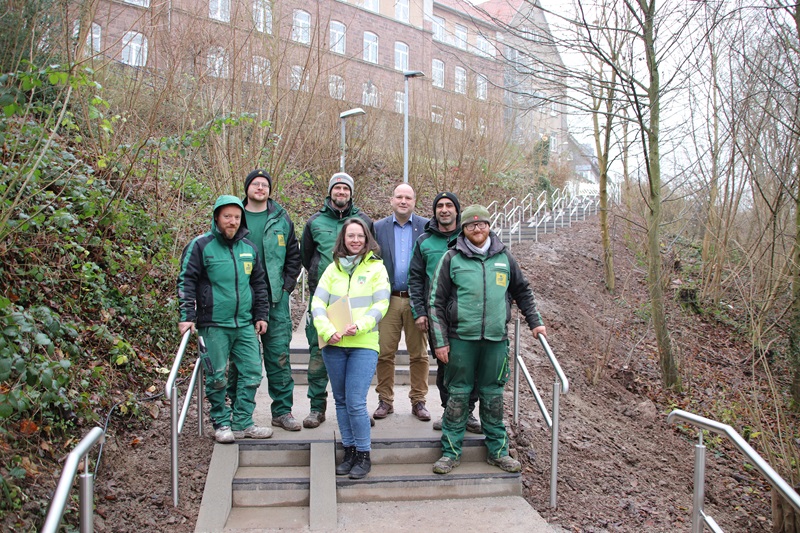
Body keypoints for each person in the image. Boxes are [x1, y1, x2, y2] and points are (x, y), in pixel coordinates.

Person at [428, 205, 546, 474]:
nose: (477, 229)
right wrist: (440, 341)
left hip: (495, 340)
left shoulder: (505, 258)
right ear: (464, 229)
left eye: (482, 224)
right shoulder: (451, 258)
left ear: (489, 226)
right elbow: (434, 302)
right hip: (461, 340)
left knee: (493, 397)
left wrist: (535, 322)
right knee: (458, 396)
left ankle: (498, 451)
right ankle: (450, 452)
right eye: (471, 225)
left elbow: (523, 291)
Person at [177, 195, 273, 443]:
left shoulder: (249, 249)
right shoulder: (201, 246)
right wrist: (187, 315)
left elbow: (259, 284)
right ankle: (221, 423)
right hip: (213, 325)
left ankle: (243, 422)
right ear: (217, 218)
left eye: (236, 217)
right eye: (227, 216)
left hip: (244, 324)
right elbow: (186, 280)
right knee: (217, 376)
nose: (232, 221)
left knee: (252, 372)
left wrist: (261, 315)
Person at [311, 218, 390, 479]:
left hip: (363, 343)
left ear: (367, 240)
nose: (355, 240)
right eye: (350, 236)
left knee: (356, 401)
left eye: (360, 236)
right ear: (343, 240)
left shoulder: (377, 268)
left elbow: (381, 305)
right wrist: (326, 330)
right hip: (333, 344)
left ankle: (364, 454)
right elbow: (318, 304)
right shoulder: (331, 270)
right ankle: (349, 451)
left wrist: (361, 325)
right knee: (341, 400)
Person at [230, 169, 303, 431]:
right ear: (247, 187)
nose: (260, 188)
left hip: (275, 300)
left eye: (265, 185)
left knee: (279, 356)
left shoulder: (281, 218)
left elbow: (295, 256)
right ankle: (237, 413)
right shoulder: (233, 214)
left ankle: (282, 411)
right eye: (255, 184)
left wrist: (285, 287)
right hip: (239, 300)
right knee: (239, 361)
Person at [301, 172, 374, 428]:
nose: (341, 192)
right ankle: (316, 408)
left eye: (345, 188)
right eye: (337, 188)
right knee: (318, 353)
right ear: (330, 191)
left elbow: (371, 254)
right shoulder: (314, 222)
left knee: (358, 357)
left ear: (351, 192)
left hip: (358, 302)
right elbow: (306, 256)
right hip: (325, 300)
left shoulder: (363, 221)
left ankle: (357, 410)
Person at [408, 192, 481, 433]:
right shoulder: (424, 242)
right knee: (445, 366)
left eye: (450, 205)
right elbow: (415, 280)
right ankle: (450, 411)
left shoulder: (471, 237)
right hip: (437, 316)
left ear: (457, 211)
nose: (445, 209)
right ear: (434, 211)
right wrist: (419, 312)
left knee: (471, 367)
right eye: (440, 206)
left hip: (468, 315)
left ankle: (468, 413)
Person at [372, 184, 431, 422]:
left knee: (419, 354)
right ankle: (385, 400)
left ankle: (419, 401)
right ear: (391, 200)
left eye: (408, 197)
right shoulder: (378, 228)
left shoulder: (427, 227)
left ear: (414, 201)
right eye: (399, 197)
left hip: (417, 300)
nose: (403, 201)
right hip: (389, 300)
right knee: (384, 353)